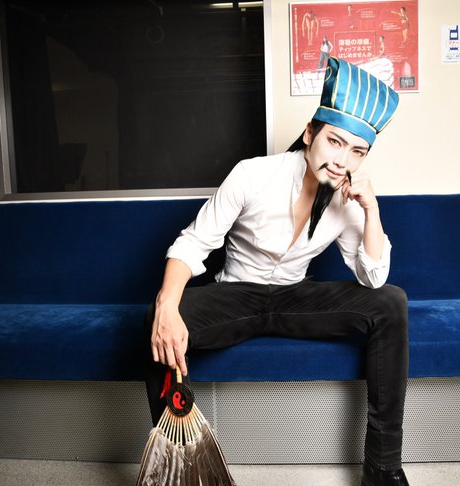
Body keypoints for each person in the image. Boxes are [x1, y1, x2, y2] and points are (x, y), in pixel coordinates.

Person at [144, 57, 410, 486]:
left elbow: (373, 279)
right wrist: (166, 304)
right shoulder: (252, 174)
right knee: (156, 319)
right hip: (237, 296)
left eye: (357, 151)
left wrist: (372, 209)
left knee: (392, 303)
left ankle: (382, 468)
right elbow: (194, 242)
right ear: (310, 134)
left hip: (293, 297)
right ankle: (177, 469)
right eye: (335, 142)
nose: (342, 160)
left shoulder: (347, 201)